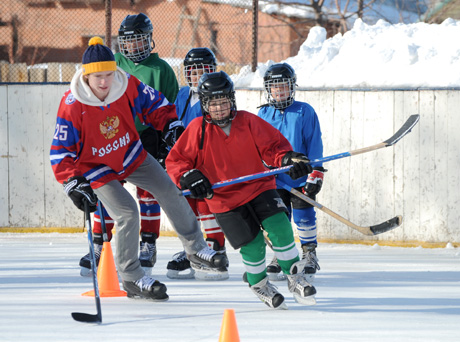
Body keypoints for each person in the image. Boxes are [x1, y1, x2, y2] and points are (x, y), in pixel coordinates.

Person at [50, 37, 227, 300]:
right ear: (86, 75)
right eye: (98, 76)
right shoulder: (73, 105)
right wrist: (73, 183)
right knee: (127, 213)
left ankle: (195, 249)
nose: (104, 82)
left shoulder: (126, 84)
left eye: (109, 74)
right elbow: (61, 150)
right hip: (97, 167)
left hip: (132, 154)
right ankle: (132, 278)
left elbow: (156, 104)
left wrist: (170, 125)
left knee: (169, 189)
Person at [166, 71, 317, 309]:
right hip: (224, 201)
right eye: (213, 104)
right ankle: (259, 284)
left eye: (223, 102)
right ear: (205, 104)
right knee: (253, 244)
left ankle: (295, 276)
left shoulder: (247, 121)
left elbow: (273, 148)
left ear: (232, 100)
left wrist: (289, 159)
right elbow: (176, 162)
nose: (219, 108)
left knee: (280, 228)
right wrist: (188, 176)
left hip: (259, 187)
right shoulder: (197, 130)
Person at [79, 12, 180, 277]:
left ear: (148, 40)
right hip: (112, 136)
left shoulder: (162, 70)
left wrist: (165, 137)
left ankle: (148, 243)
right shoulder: (113, 63)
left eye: (138, 40)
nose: (133, 45)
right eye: (128, 40)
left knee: (148, 193)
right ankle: (101, 244)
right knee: (108, 190)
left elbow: (167, 106)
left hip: (146, 137)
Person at [257, 63, 324, 282]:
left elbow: (314, 143)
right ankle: (281, 255)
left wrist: (316, 171)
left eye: (283, 86)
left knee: (304, 215)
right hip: (274, 179)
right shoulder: (263, 114)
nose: (279, 91)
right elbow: (257, 146)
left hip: (300, 175)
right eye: (274, 87)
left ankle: (309, 254)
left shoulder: (304, 111)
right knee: (279, 219)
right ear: (268, 89)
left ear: (292, 87)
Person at [166, 47, 228, 280]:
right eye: (193, 71)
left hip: (209, 159)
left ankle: (216, 250)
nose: (198, 75)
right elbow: (172, 120)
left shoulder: (218, 93)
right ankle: (192, 251)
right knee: (186, 208)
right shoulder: (182, 95)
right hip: (186, 160)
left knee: (207, 206)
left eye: (204, 70)